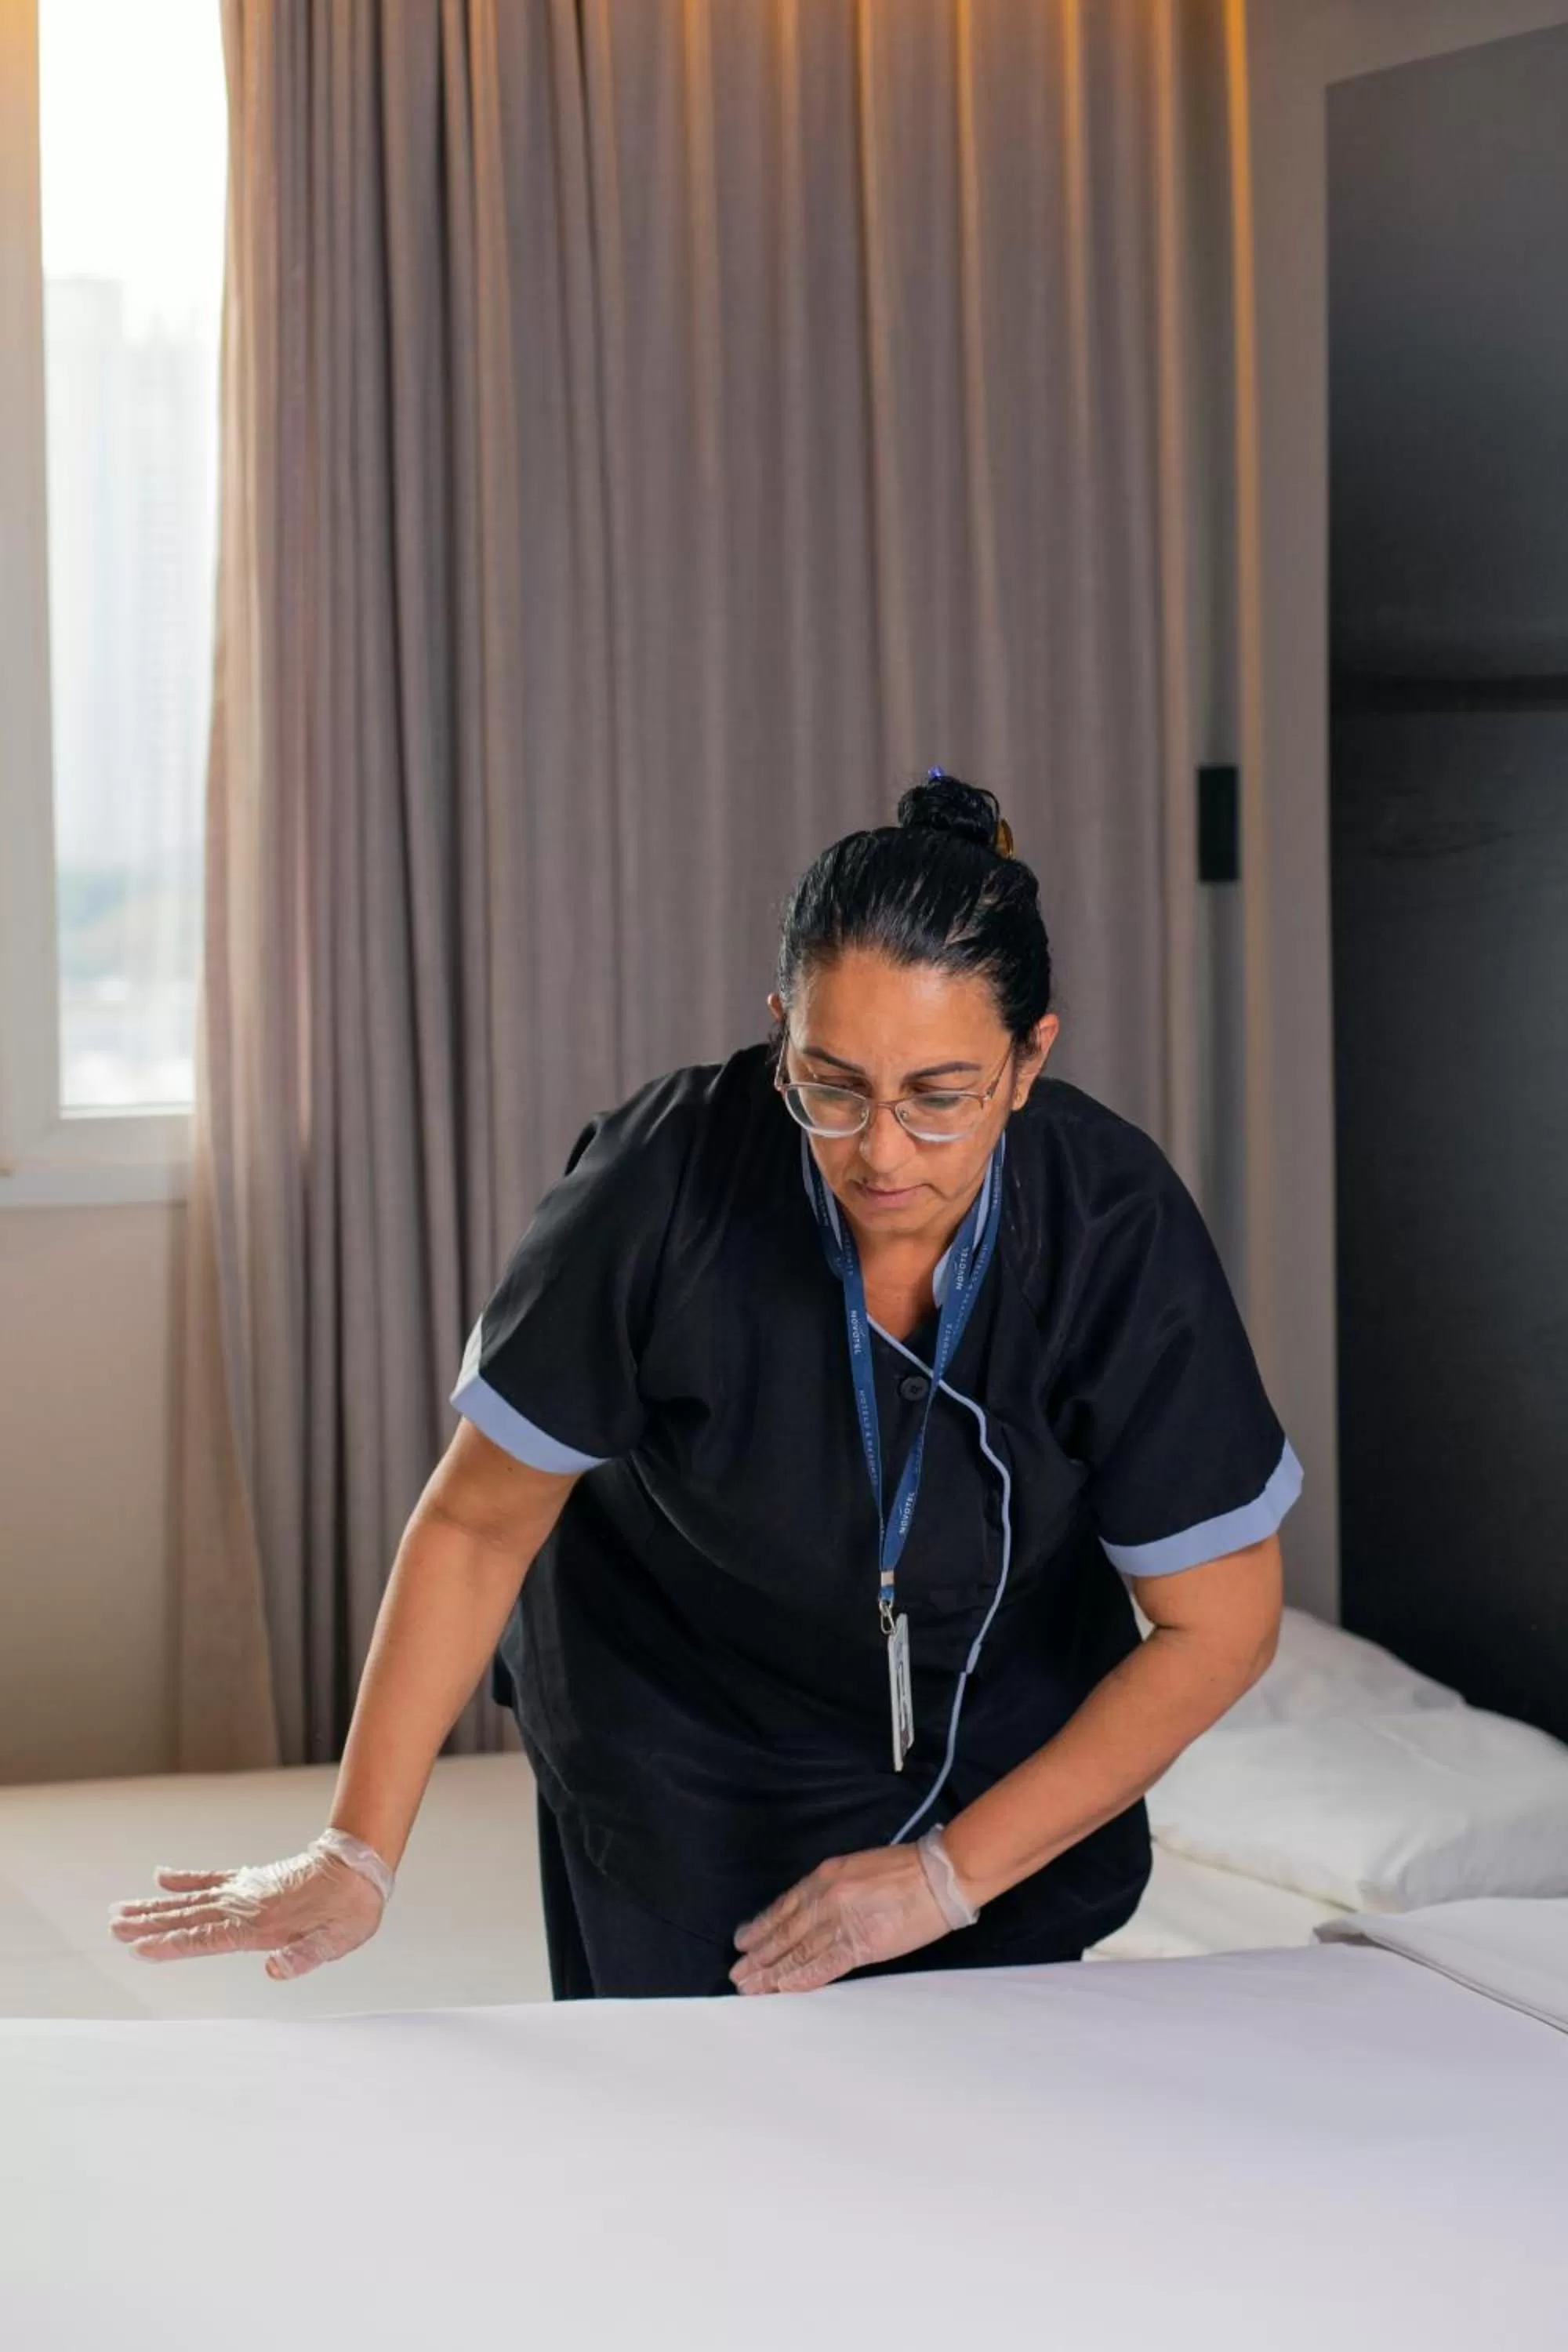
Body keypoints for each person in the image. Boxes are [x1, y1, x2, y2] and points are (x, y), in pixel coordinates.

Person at [110, 771, 1300, 1998]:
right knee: (690, 2139)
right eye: (831, 1085)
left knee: (974, 2150)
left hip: (1000, 1746)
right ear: (781, 1026)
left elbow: (1220, 1624)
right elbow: (476, 1523)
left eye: (939, 1097)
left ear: (1027, 1058)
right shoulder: (666, 1184)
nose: (880, 1151)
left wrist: (947, 1874)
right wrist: (356, 1848)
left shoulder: (1109, 1227)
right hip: (678, 1736)